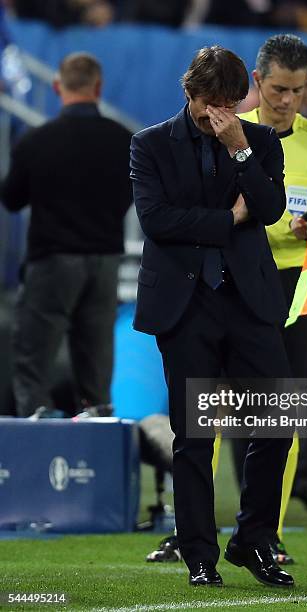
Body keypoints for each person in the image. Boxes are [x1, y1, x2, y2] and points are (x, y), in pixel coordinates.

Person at [130, 45, 294, 588]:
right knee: (194, 439)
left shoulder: (262, 140)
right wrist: (227, 219)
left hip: (249, 304)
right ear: (189, 93)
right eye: (209, 104)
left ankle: (252, 541)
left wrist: (240, 149)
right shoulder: (150, 144)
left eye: (229, 104)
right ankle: (199, 552)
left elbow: (270, 211)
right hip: (186, 305)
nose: (218, 115)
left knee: (276, 426)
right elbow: (157, 221)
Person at [239, 33, 307, 561]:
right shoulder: (225, 134)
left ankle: (267, 533)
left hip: (292, 286)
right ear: (257, 82)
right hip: (230, 280)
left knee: (280, 416)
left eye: (298, 91)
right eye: (278, 88)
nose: (286, 101)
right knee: (207, 409)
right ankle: (189, 525)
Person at [0, 52, 132, 416]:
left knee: (32, 367)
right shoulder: (125, 142)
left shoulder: (36, 142)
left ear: (58, 87)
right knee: (96, 377)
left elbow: (11, 199)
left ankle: (37, 452)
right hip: (104, 264)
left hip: (51, 264)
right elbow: (132, 196)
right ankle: (96, 455)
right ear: (98, 87)